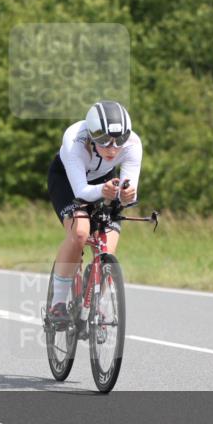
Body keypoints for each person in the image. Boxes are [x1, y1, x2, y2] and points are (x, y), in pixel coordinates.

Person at [46, 101, 142, 322]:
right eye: (104, 141)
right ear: (91, 135)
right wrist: (105, 191)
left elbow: (130, 188)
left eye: (118, 142)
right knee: (80, 232)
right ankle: (57, 304)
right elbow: (81, 190)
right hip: (68, 181)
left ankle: (96, 292)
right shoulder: (74, 139)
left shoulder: (133, 144)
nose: (112, 149)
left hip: (104, 181)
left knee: (107, 247)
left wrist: (127, 195)